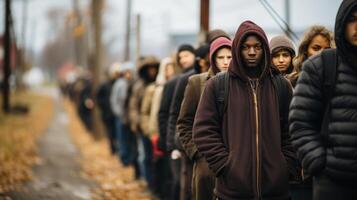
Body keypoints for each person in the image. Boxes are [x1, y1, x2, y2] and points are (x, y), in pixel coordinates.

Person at [193, 21, 296, 200]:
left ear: (265, 49)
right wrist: (225, 165)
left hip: (275, 191)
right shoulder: (217, 85)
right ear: (237, 50)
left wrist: (285, 165)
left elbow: (294, 129)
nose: (252, 52)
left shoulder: (281, 85)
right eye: (246, 47)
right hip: (232, 191)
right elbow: (203, 130)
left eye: (257, 46)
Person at [289, 1, 357, 199]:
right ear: (342, 23)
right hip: (333, 184)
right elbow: (300, 122)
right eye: (352, 20)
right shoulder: (321, 66)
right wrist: (320, 165)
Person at [177, 36, 232, 200]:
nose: (225, 62)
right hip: (206, 160)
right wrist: (196, 152)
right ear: (213, 58)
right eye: (221, 57)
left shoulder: (241, 84)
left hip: (234, 161)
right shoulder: (197, 82)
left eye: (229, 57)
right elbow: (184, 122)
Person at [158, 44, 196, 200]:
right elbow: (167, 113)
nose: (184, 60)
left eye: (187, 55)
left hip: (193, 140)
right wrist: (169, 143)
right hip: (177, 140)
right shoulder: (173, 83)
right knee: (180, 184)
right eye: (181, 57)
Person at [140, 57, 178, 199]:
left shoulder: (178, 84)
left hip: (170, 132)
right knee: (156, 164)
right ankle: (156, 191)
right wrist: (150, 132)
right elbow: (146, 112)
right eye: (167, 68)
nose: (170, 71)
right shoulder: (153, 89)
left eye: (172, 67)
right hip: (155, 132)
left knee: (169, 169)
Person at [96, 63, 121, 154]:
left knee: (116, 132)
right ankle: (112, 149)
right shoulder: (104, 85)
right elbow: (98, 98)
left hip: (117, 113)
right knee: (110, 132)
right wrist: (104, 106)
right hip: (107, 113)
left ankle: (117, 148)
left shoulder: (119, 84)